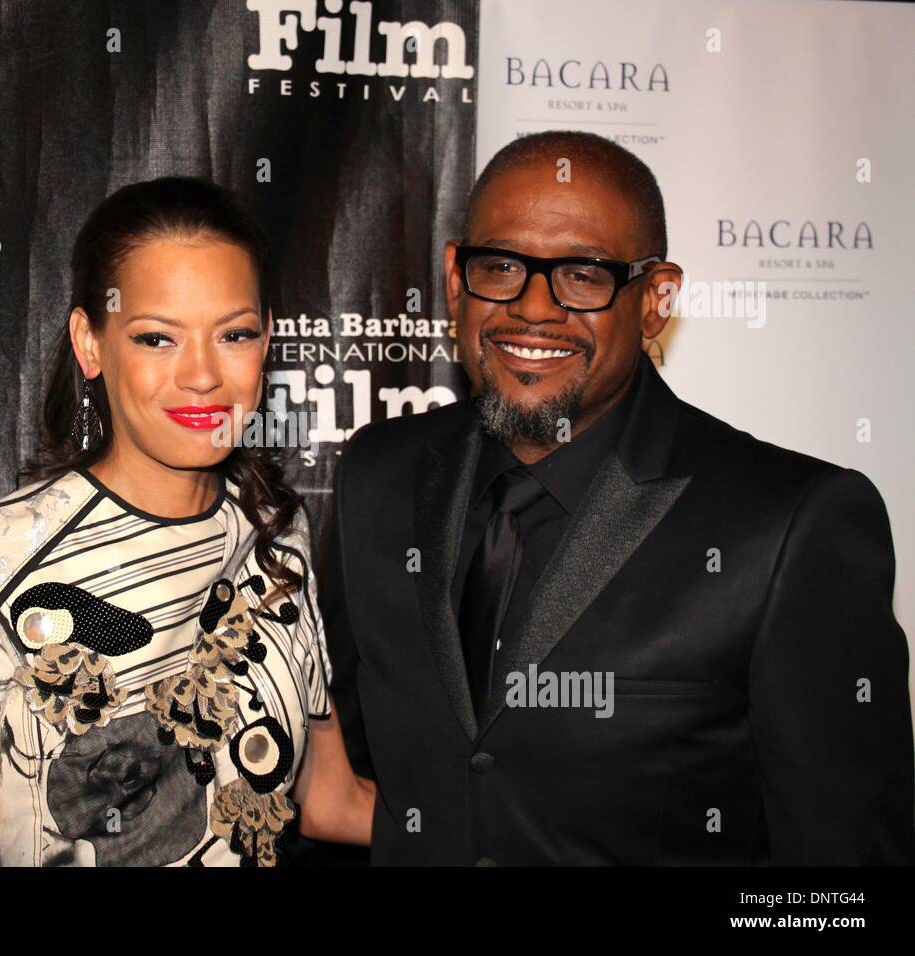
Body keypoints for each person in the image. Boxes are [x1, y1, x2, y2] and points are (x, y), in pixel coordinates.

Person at [321, 130, 915, 865]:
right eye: (501, 266)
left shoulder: (792, 523)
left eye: (584, 274)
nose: (534, 308)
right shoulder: (378, 474)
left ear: (656, 299)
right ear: (454, 276)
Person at [0, 176, 374, 866]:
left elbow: (330, 800)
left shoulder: (275, 535)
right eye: (157, 339)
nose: (203, 374)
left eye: (234, 333)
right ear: (91, 344)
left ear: (268, 338)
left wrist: (529, 832)